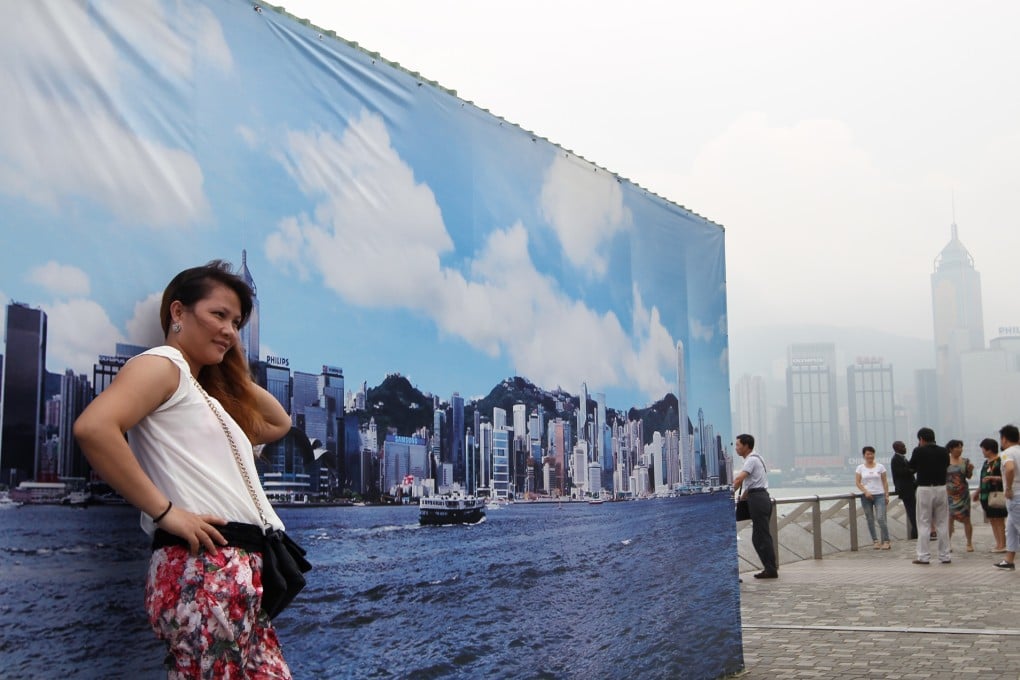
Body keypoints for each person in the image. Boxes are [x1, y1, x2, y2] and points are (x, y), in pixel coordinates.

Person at [74, 261, 295, 677]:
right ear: (178, 312)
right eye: (218, 314)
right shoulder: (163, 366)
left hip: (236, 576)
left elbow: (278, 423)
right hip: (204, 570)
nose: (231, 330)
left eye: (237, 323)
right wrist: (166, 512)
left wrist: (229, 365)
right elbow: (94, 427)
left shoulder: (204, 394)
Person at [732, 433, 778, 579]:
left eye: (738, 445)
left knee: (762, 537)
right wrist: (743, 496)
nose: (736, 448)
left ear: (746, 446)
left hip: (757, 500)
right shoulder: (758, 458)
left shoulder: (751, 460)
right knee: (759, 536)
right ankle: (769, 568)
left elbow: (739, 479)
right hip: (760, 497)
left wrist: (727, 493)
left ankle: (771, 569)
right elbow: (753, 483)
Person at [908, 427, 951, 565]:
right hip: (941, 488)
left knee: (924, 523)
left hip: (925, 488)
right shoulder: (944, 451)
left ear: (921, 439)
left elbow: (911, 467)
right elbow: (947, 465)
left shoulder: (918, 451)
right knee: (942, 523)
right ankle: (945, 555)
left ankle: (924, 556)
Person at [972, 438, 1007, 553]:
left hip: (996, 494)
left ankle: (1003, 544)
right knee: (992, 520)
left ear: (989, 450)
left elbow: (1006, 478)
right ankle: (998, 544)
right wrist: (977, 492)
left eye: (983, 449)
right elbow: (982, 480)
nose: (982, 452)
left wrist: (993, 478)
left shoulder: (1000, 461)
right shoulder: (985, 463)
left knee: (999, 520)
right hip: (985, 496)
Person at [855, 446, 891, 549]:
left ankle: (886, 541)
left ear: (874, 454)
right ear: (864, 455)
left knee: (880, 518)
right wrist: (865, 492)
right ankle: (875, 541)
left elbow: (884, 481)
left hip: (879, 495)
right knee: (870, 519)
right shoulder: (860, 468)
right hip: (866, 496)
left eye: (871, 453)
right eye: (867, 454)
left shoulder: (880, 467)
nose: (869, 456)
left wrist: (886, 495)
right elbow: (857, 482)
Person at [995, 424, 1020, 570]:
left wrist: (1009, 488)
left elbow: (1009, 468)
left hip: (1015, 496)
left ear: (1004, 439)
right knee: (1010, 529)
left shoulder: (1006, 453)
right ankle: (1009, 560)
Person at [944, 439, 974, 552]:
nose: (960, 450)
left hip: (963, 494)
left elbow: (968, 476)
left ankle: (969, 543)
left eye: (961, 447)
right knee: (950, 518)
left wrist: (970, 470)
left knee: (967, 518)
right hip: (950, 494)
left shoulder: (965, 461)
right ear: (951, 449)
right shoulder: (945, 460)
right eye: (957, 447)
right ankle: (948, 543)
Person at [890, 440, 918, 539]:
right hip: (906, 489)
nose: (905, 448)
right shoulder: (896, 459)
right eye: (903, 447)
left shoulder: (902, 458)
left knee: (914, 511)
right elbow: (902, 472)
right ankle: (916, 532)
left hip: (910, 488)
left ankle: (915, 533)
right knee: (912, 511)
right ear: (897, 448)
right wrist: (914, 470)